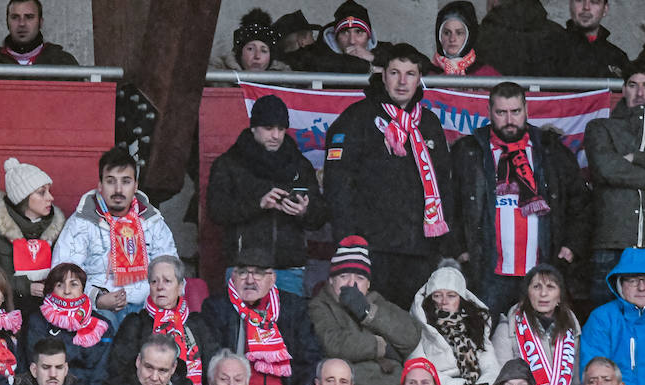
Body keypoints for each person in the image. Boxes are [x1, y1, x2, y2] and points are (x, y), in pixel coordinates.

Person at [323, 43, 454, 309]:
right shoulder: (356, 118)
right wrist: (349, 241)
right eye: (395, 73)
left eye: (410, 74)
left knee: (413, 331)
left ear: (420, 80)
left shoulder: (428, 123)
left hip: (418, 250)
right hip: (372, 249)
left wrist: (440, 245)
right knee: (373, 328)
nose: (402, 82)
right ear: (383, 76)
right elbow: (338, 185)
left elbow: (444, 185)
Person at [450, 83, 590, 314]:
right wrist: (459, 249)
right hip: (487, 273)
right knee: (484, 342)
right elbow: (448, 203)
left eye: (515, 111)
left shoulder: (550, 150)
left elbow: (580, 204)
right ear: (489, 111)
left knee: (541, 344)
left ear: (526, 109)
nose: (509, 120)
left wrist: (571, 246)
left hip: (541, 272)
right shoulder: (468, 150)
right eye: (501, 112)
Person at [205, 96, 327, 297]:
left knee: (287, 327)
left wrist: (305, 211)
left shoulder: (299, 164)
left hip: (288, 269)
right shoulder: (229, 164)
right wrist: (258, 204)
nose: (276, 135)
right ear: (254, 127)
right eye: (269, 128)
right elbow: (216, 211)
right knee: (242, 327)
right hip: (244, 270)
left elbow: (321, 215)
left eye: (281, 129)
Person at [52, 147, 177, 322]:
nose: (118, 189)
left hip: (148, 308)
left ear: (136, 186)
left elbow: (172, 272)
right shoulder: (81, 222)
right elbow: (62, 273)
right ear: (100, 185)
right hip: (98, 311)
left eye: (126, 181)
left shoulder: (153, 222)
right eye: (111, 181)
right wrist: (96, 298)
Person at [203, 246, 323, 385]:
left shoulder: (292, 307)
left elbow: (309, 361)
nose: (250, 280)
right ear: (233, 276)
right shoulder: (216, 308)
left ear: (272, 278)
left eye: (258, 273)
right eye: (243, 272)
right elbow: (211, 362)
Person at [308, 237, 422, 385]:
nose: (352, 284)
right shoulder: (320, 305)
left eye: (360, 279)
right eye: (344, 276)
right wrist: (380, 346)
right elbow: (333, 343)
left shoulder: (376, 301)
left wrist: (367, 312)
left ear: (368, 284)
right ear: (331, 280)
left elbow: (410, 336)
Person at [585, 58, 645, 306]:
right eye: (633, 84)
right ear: (623, 89)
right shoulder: (600, 127)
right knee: (605, 317)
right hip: (611, 243)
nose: (640, 92)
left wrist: (636, 157)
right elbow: (606, 170)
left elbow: (619, 169)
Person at [0, 158, 66, 317]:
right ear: (23, 198)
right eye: (42, 192)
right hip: (7, 307)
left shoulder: (58, 229)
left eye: (49, 191)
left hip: (52, 306)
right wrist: (25, 286)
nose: (50, 198)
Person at [108, 256, 215, 385]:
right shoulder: (135, 323)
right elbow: (118, 372)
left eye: (167, 281)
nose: (160, 287)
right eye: (154, 281)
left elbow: (213, 369)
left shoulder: (197, 323)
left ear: (180, 286)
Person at [408, 261, 502, 385]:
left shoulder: (475, 324)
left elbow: (490, 364)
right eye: (437, 296)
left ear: (461, 299)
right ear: (430, 298)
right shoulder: (419, 326)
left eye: (451, 296)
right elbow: (419, 368)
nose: (444, 302)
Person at [489, 265, 583, 385]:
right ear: (527, 293)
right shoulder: (507, 329)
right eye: (536, 287)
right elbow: (501, 384)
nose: (543, 294)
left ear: (560, 296)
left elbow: (578, 382)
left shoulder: (571, 329)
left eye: (550, 287)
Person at [25, 262, 112, 385]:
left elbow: (102, 371)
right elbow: (38, 363)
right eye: (59, 285)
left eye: (74, 284)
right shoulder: (38, 320)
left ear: (83, 288)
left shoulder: (101, 325)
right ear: (51, 289)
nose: (67, 291)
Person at [583, 247, 645, 385]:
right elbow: (594, 374)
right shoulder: (602, 318)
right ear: (620, 283)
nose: (641, 287)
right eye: (633, 280)